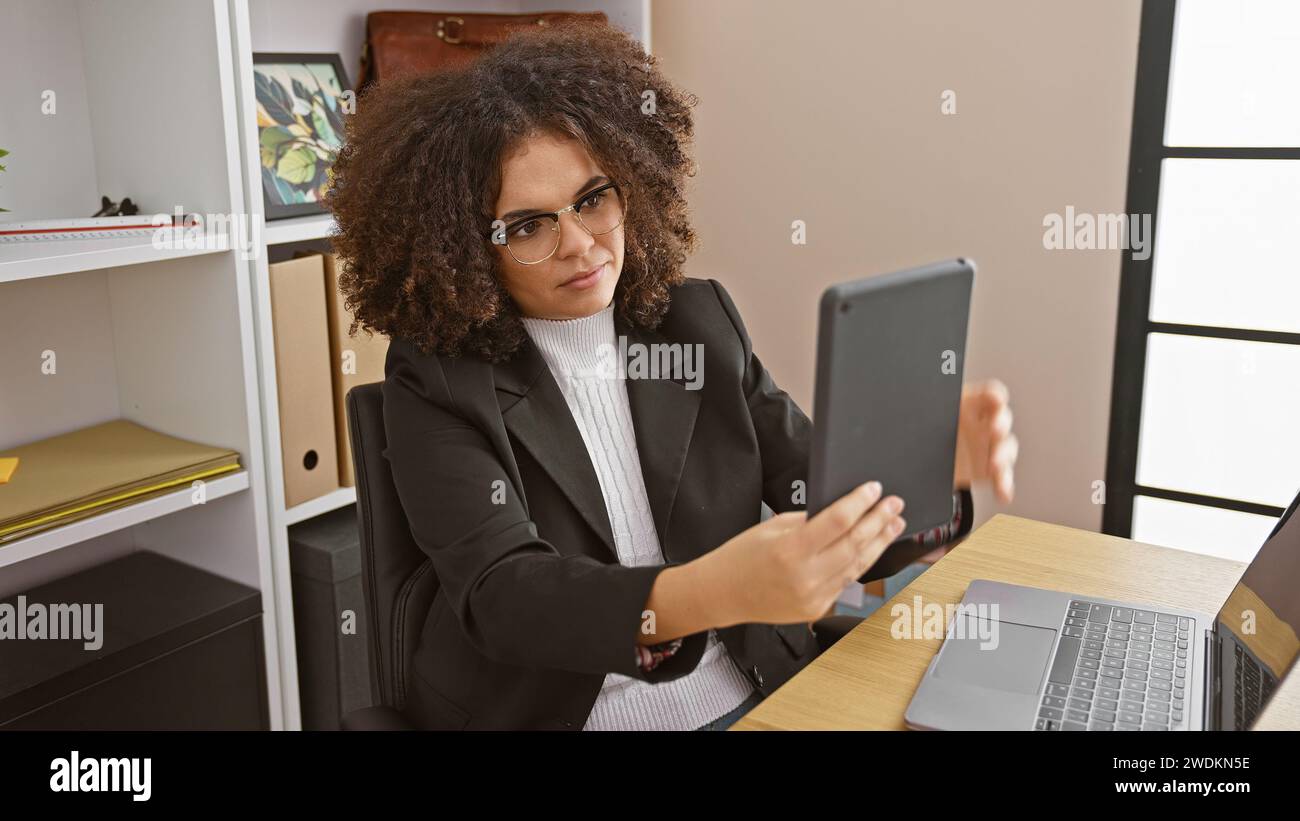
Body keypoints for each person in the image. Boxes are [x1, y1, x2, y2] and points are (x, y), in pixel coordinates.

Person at [326, 21, 1017, 731]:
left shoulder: (697, 322)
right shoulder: (436, 378)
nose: (580, 243)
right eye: (529, 226)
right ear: (469, 247)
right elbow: (504, 595)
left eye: (594, 197)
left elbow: (821, 492)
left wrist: (929, 470)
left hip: (759, 694)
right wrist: (707, 592)